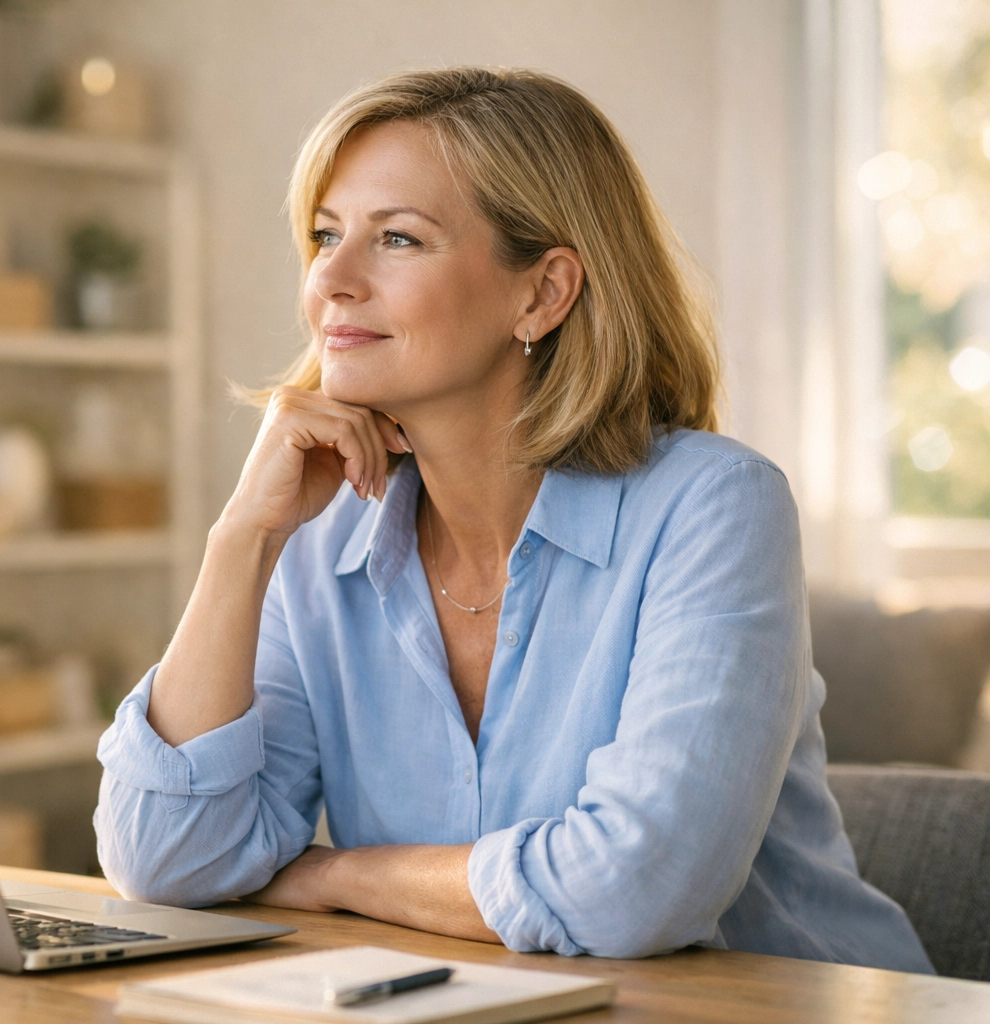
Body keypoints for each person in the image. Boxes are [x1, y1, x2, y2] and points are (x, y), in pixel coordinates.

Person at [93, 67, 932, 971]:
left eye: (397, 239)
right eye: (326, 235)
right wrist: (242, 540)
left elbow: (631, 892)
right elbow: (167, 861)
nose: (329, 278)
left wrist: (331, 876)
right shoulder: (320, 533)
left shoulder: (715, 505)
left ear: (541, 294)